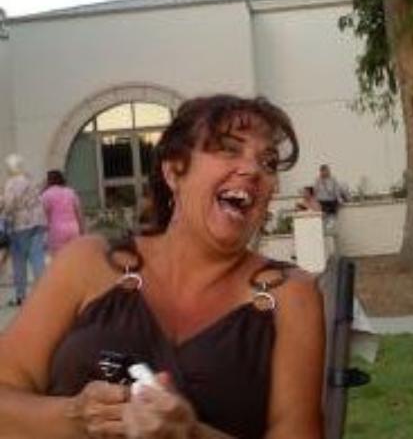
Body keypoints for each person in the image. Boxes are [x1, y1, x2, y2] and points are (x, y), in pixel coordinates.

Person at [0, 95, 325, 439]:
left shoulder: (290, 296)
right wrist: (76, 417)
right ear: (174, 171)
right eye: (229, 149)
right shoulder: (86, 262)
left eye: (268, 162)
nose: (253, 170)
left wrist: (190, 434)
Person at [0, 154, 46, 306]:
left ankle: (21, 296)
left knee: (19, 261)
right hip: (37, 222)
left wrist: (3, 210)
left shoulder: (11, 183)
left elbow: (9, 204)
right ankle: (44, 293)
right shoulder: (29, 180)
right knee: (37, 259)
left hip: (20, 225)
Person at [41, 169, 84, 256]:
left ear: (49, 181)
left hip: (56, 229)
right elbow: (78, 212)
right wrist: (82, 228)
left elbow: (45, 215)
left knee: (59, 257)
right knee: (74, 255)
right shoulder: (71, 192)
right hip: (73, 228)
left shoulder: (46, 195)